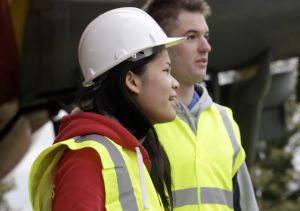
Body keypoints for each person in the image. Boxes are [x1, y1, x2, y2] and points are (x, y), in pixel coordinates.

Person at [28, 7, 185, 211]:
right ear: (132, 80)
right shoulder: (86, 159)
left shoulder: (131, 156)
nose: (175, 83)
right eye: (166, 70)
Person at [143, 1, 260, 210]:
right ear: (161, 46)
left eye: (205, 36)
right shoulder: (139, 120)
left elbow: (246, 204)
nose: (206, 47)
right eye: (191, 36)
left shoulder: (225, 120)